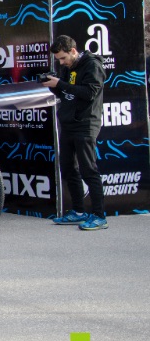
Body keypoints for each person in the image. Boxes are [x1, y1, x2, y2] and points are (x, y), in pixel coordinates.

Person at [44, 35, 107, 230]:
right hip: (69, 122)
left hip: (86, 123)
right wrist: (52, 85)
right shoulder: (67, 67)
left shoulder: (93, 66)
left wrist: (60, 84)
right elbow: (66, 92)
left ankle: (99, 215)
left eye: (63, 58)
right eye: (58, 60)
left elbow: (89, 93)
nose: (61, 63)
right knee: (68, 167)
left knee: (88, 169)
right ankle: (78, 211)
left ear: (73, 51)